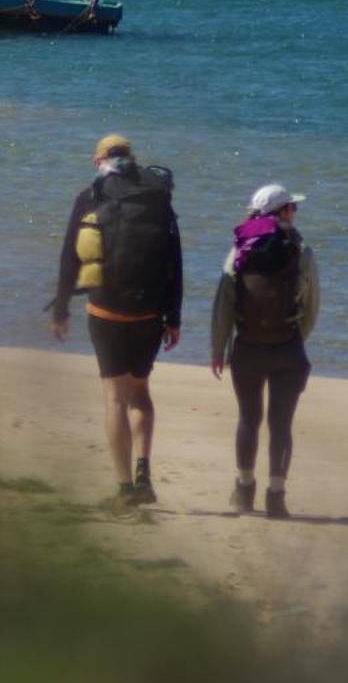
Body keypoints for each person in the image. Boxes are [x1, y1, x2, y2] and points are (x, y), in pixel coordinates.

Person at [49, 134, 183, 508]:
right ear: (133, 158)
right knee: (140, 392)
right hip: (149, 312)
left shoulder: (90, 196)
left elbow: (68, 258)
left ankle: (124, 488)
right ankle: (144, 475)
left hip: (105, 310)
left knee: (114, 397)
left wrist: (61, 310)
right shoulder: (157, 197)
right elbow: (175, 259)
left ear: (99, 160)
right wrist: (174, 316)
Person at [210, 182, 319, 518]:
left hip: (247, 348)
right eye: (292, 207)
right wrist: (296, 337)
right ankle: (276, 495)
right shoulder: (301, 250)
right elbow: (312, 303)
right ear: (282, 212)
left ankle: (244, 488)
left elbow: (224, 304)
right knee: (281, 423)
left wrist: (219, 348)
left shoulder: (239, 249)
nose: (295, 212)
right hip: (288, 348)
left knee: (248, 418)